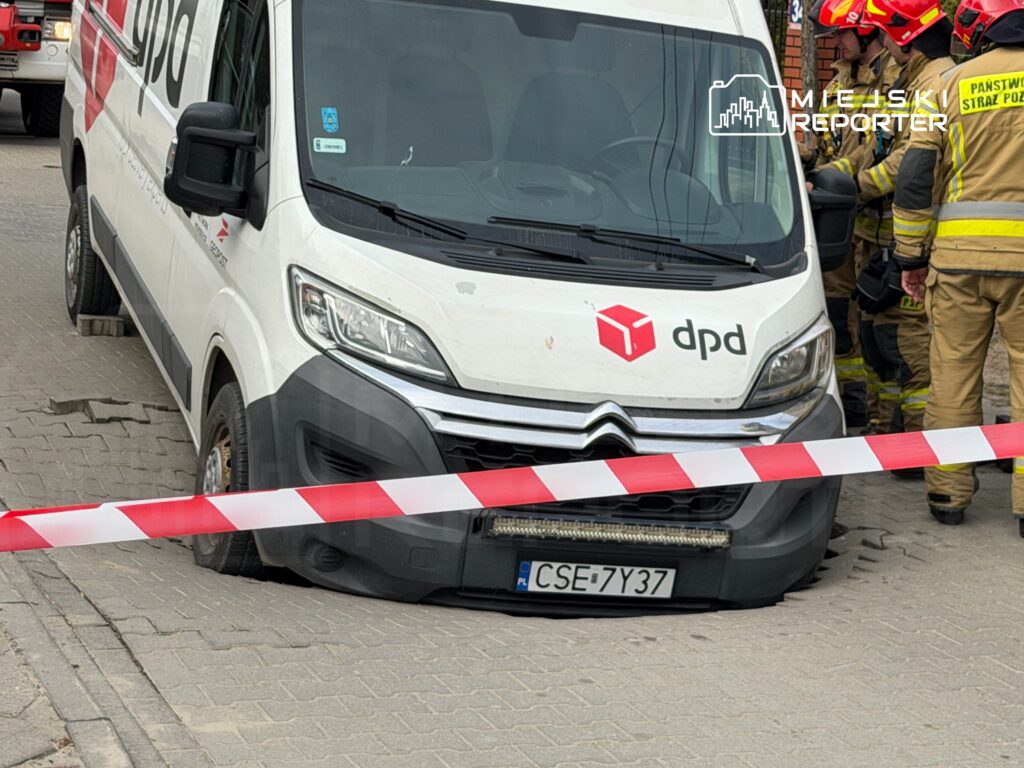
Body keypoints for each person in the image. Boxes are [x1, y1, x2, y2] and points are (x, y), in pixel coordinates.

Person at [893, 0, 1024, 534]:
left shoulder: (945, 84)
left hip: (956, 261)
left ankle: (947, 493)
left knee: (952, 376)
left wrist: (910, 255)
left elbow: (915, 175)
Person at [841, 0, 955, 472]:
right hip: (885, 233)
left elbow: (909, 164)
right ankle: (888, 431)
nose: (884, 43)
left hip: (913, 238)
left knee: (907, 345)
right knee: (877, 335)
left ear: (907, 39)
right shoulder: (909, 83)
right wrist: (836, 175)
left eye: (888, 34)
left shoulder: (936, 84)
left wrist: (856, 186)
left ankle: (913, 447)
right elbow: (876, 146)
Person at [809, 0, 902, 431]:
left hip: (880, 223)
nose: (835, 43)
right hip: (838, 219)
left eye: (840, 34)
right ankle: (851, 404)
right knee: (838, 313)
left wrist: (840, 180)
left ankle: (882, 415)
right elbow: (823, 146)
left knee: (877, 323)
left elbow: (878, 153)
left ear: (866, 30)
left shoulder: (896, 82)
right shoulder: (835, 86)